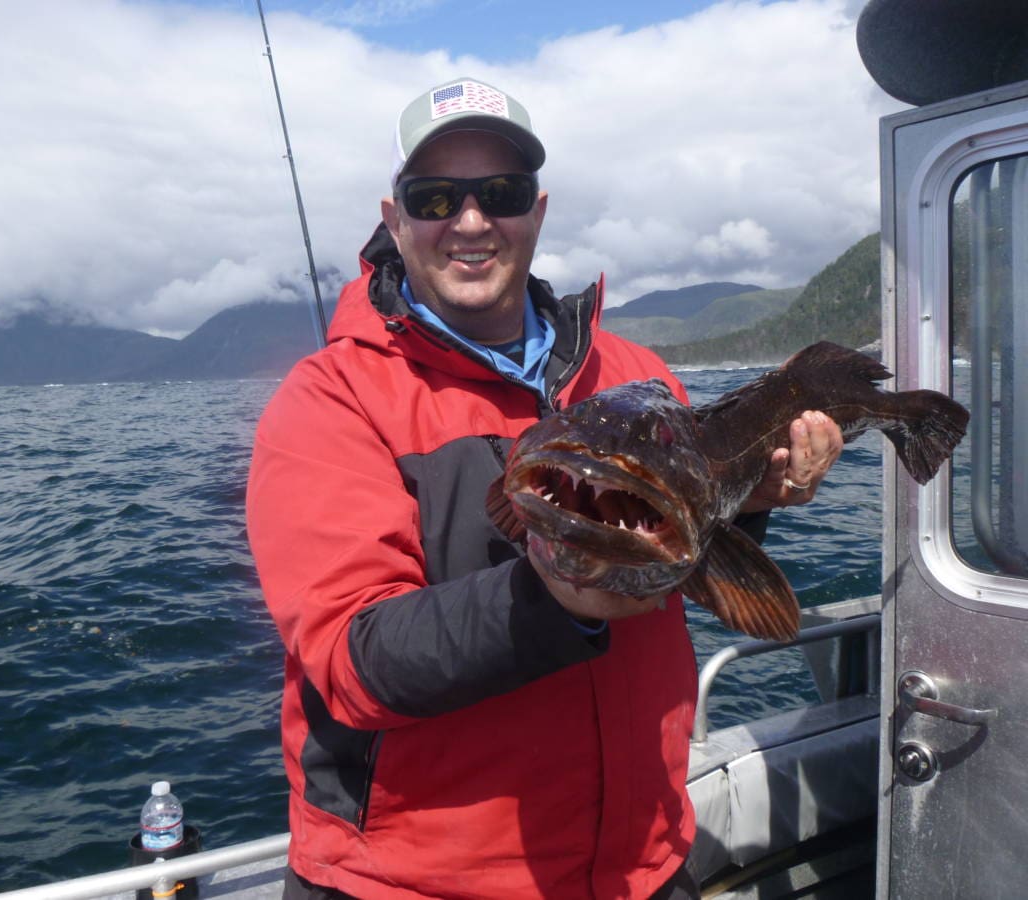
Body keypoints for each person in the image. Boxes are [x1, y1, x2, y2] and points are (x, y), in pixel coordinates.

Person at [246, 76, 843, 899]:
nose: (470, 221)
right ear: (394, 219)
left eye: (501, 193)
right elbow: (353, 659)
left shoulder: (638, 372)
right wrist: (558, 599)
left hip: (644, 863)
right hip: (411, 885)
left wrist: (749, 502)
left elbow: (691, 562)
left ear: (538, 210)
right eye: (434, 198)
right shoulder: (327, 400)